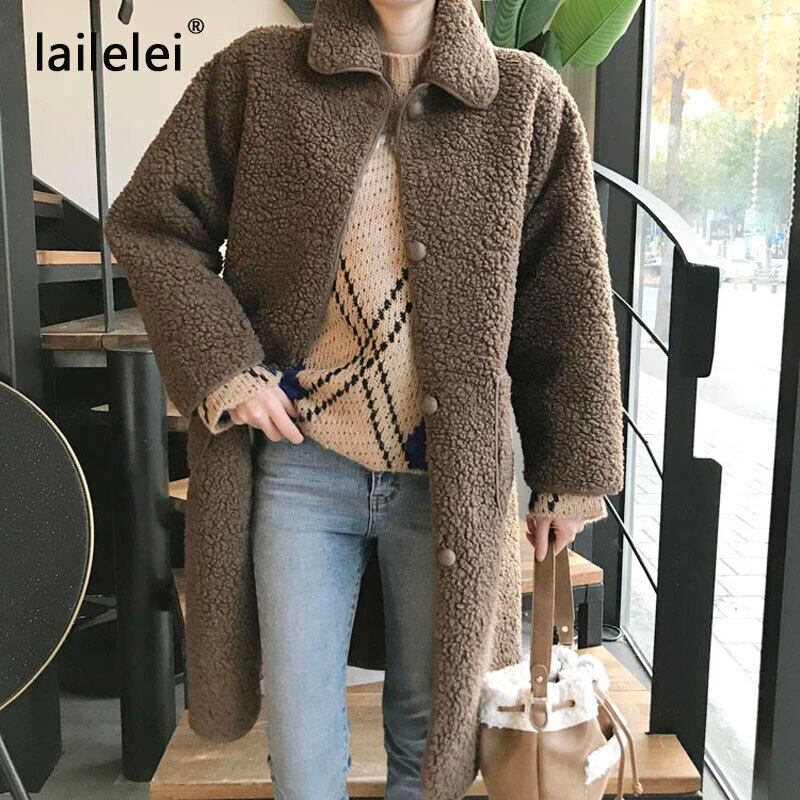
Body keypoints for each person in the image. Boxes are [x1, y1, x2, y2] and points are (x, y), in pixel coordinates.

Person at [104, 0, 625, 797]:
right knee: (301, 737)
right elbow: (150, 222)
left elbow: (569, 297)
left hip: (447, 481)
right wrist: (227, 369)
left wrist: (572, 471)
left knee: (432, 733)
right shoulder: (261, 73)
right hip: (301, 467)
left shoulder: (524, 98)